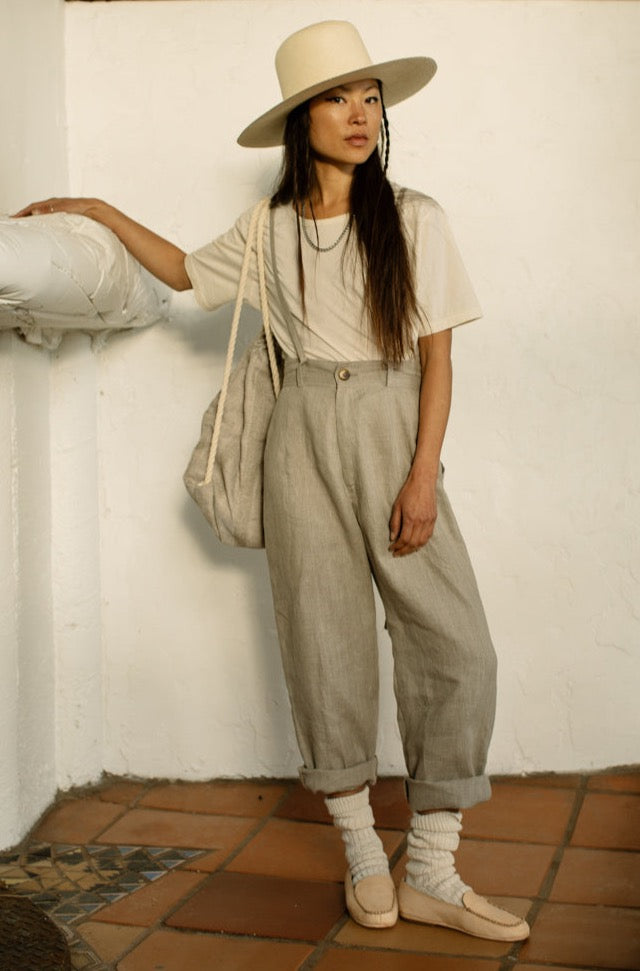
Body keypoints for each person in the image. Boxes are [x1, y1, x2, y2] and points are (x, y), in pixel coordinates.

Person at [15, 20, 529, 943]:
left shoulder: (416, 217)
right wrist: (98, 208)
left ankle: (431, 867)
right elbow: (182, 273)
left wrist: (422, 474)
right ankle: (364, 853)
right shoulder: (268, 229)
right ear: (302, 119)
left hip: (392, 424)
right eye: (338, 97)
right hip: (300, 433)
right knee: (324, 641)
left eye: (370, 96)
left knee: (458, 645)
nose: (360, 113)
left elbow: (439, 361)